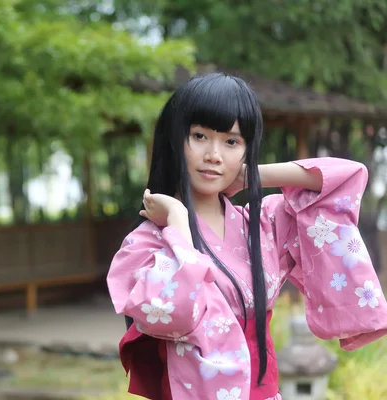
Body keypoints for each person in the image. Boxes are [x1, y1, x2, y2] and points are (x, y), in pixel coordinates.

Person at [106, 73, 387, 400]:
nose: (214, 154)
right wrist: (179, 223)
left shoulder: (263, 223)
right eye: (199, 136)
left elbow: (346, 177)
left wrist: (254, 175)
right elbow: (178, 312)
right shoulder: (148, 242)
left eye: (231, 141)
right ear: (174, 139)